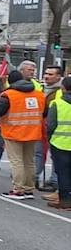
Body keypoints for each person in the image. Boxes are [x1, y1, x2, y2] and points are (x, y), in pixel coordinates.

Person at [0, 65, 45, 199]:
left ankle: (18, 189)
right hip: (33, 131)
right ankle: (28, 188)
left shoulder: (8, 95)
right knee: (29, 161)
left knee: (17, 161)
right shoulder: (39, 94)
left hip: (14, 131)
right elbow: (43, 113)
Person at [44, 75, 71, 210]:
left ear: (63, 88)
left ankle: (65, 200)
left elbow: (51, 125)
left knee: (63, 173)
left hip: (60, 143)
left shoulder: (57, 103)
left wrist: (49, 138)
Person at [36, 64, 64, 192]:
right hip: (40, 125)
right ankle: (35, 177)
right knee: (38, 153)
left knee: (56, 156)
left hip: (57, 128)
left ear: (59, 76)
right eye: (46, 73)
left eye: (50, 74)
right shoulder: (40, 87)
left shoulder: (61, 91)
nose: (46, 76)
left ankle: (54, 181)